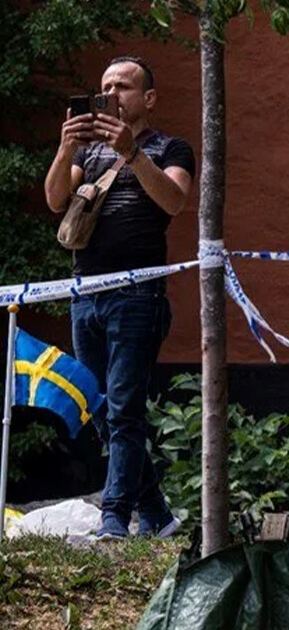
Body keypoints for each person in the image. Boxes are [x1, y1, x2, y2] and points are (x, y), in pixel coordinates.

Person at [44, 56, 195, 539]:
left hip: (137, 295)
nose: (112, 94)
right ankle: (157, 515)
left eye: (123, 87)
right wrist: (65, 147)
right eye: (106, 85)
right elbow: (54, 201)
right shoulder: (86, 155)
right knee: (102, 407)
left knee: (125, 406)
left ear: (147, 98)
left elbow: (174, 201)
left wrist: (132, 154)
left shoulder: (171, 148)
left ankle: (115, 520)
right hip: (85, 294)